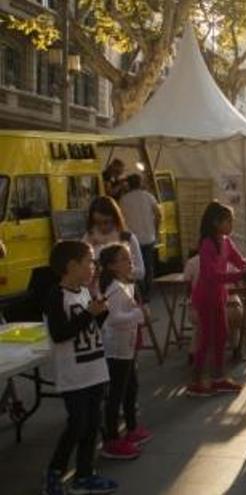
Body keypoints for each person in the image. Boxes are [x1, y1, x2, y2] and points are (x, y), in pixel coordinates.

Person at [43, 241, 117, 495]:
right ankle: (54, 472)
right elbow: (60, 333)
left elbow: (91, 327)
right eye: (89, 262)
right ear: (72, 266)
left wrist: (100, 312)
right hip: (74, 375)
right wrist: (88, 314)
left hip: (95, 370)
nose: (93, 267)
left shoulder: (85, 291)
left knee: (92, 424)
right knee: (77, 424)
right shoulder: (57, 296)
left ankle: (84, 475)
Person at [187, 201, 246, 397]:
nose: (231, 225)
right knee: (206, 340)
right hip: (205, 297)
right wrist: (241, 276)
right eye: (228, 222)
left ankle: (217, 378)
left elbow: (242, 263)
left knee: (221, 336)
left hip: (219, 295)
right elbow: (211, 275)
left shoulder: (226, 241)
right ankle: (196, 382)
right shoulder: (207, 244)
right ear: (216, 222)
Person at [97, 243, 152, 461]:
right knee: (117, 394)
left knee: (131, 387)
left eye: (129, 258)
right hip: (117, 349)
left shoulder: (124, 284)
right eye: (124, 259)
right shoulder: (115, 289)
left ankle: (131, 428)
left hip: (126, 346)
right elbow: (112, 319)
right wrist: (138, 314)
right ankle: (112, 439)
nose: (130, 263)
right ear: (111, 266)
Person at [83, 196, 145, 285]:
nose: (102, 227)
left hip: (122, 292)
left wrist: (119, 269)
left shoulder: (126, 238)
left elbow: (141, 272)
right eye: (97, 222)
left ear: (115, 219)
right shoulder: (88, 237)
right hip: (95, 294)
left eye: (106, 222)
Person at [119, 173, 162, 298]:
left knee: (135, 266)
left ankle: (140, 293)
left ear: (128, 184)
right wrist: (156, 229)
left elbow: (121, 219)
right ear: (140, 182)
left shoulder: (123, 199)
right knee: (148, 266)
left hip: (132, 239)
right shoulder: (149, 197)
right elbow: (158, 215)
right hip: (149, 237)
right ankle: (148, 293)